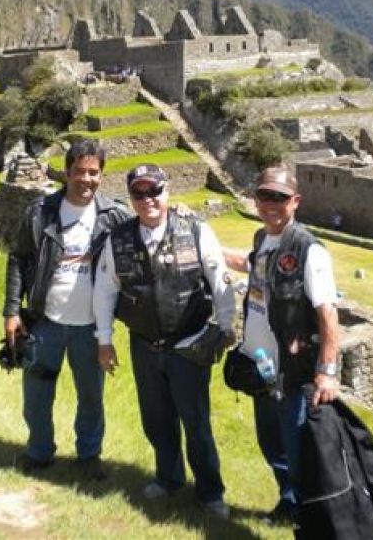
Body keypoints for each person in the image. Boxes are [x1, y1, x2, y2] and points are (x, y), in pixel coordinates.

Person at [93, 164, 235, 519]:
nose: (147, 200)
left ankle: (210, 492)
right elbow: (105, 291)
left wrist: (223, 327)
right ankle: (168, 478)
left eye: (153, 191)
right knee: (156, 420)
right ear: (131, 198)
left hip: (188, 345)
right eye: (139, 194)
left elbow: (220, 281)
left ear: (167, 191)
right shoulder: (119, 239)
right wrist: (104, 340)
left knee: (196, 423)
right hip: (143, 345)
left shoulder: (196, 230)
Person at [3, 138, 130, 477]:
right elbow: (18, 259)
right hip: (46, 321)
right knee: (37, 395)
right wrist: (12, 311)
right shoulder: (41, 212)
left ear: (101, 175)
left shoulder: (114, 215)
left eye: (94, 173)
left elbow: (149, 229)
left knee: (91, 398)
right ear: (67, 173)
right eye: (80, 172)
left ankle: (89, 457)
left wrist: (176, 212)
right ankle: (39, 452)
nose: (87, 180)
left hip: (91, 327)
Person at [223, 164, 339, 527]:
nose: (271, 203)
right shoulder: (262, 239)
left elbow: (328, 316)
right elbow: (249, 264)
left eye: (280, 197)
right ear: (255, 198)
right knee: (273, 447)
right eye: (264, 195)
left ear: (296, 201)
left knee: (298, 451)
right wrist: (204, 241)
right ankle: (289, 505)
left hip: (294, 374)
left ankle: (314, 519)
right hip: (261, 369)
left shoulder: (309, 250)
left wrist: (326, 373)